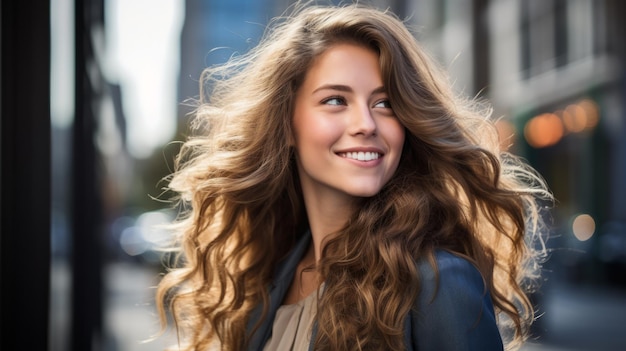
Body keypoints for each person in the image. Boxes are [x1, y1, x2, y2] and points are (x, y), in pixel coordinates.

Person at [155, 3, 552, 350]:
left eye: (385, 103)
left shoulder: (438, 282)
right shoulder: (266, 275)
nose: (365, 123)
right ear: (287, 125)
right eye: (335, 100)